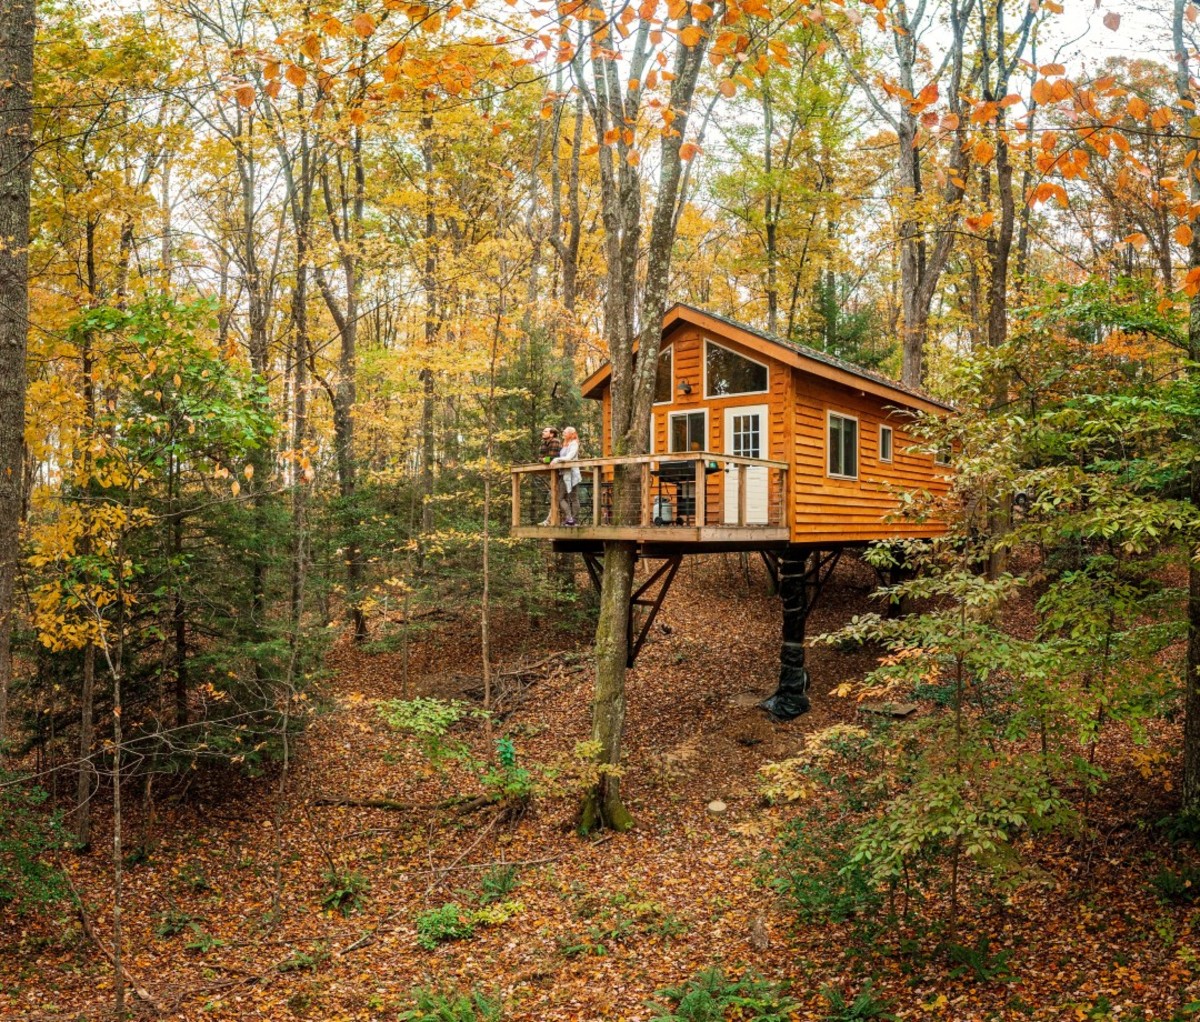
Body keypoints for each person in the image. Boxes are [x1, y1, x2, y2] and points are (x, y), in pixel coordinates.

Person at [551, 426, 582, 525]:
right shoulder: (564, 444)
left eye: (565, 432)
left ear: (571, 434)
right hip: (563, 473)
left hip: (572, 473)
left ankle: (574, 519)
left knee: (574, 497)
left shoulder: (574, 444)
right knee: (560, 498)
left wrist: (556, 460)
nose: (563, 433)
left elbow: (569, 457)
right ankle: (570, 518)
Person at [537, 427, 561, 525]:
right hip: (552, 473)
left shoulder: (555, 441)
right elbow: (539, 458)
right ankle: (549, 520)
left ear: (551, 434)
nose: (543, 433)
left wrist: (544, 460)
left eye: (545, 431)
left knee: (558, 496)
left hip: (560, 472)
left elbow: (552, 458)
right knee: (554, 495)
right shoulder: (543, 443)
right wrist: (543, 460)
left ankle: (550, 520)